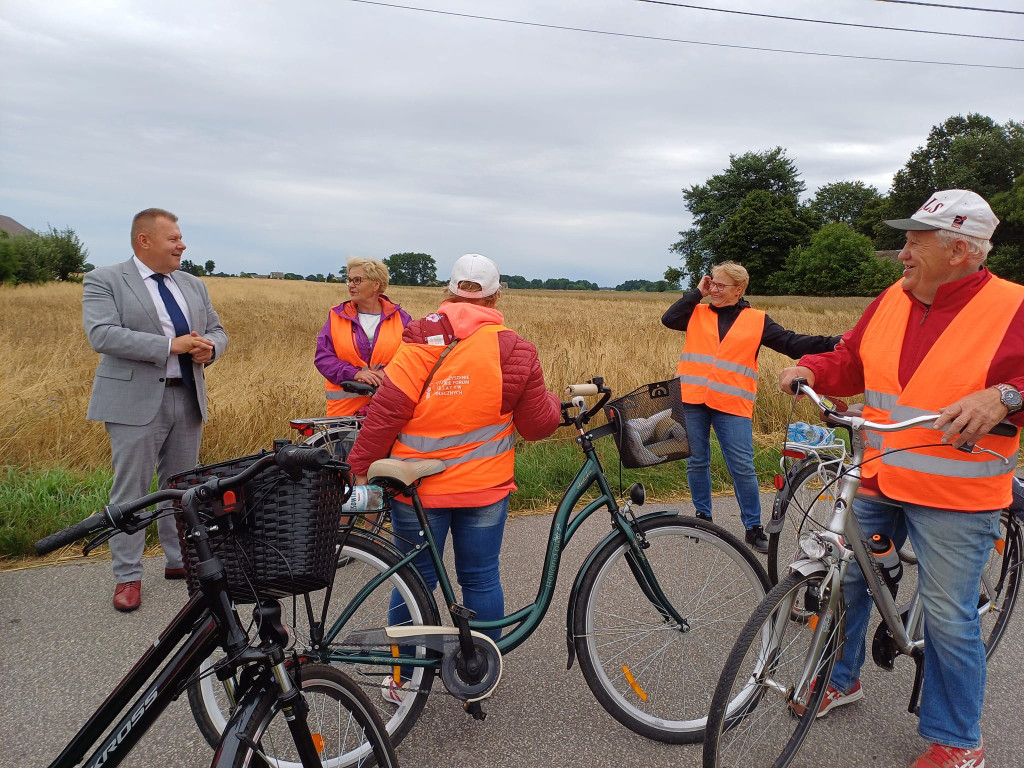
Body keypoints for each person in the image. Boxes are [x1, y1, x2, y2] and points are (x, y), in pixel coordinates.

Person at [779, 189, 1024, 768]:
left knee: (947, 613)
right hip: (880, 475)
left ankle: (959, 740)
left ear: (960, 250)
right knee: (847, 581)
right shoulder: (893, 297)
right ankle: (840, 679)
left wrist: (1007, 395)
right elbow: (851, 360)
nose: (901, 253)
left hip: (957, 493)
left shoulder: (1013, 306)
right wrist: (811, 368)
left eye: (915, 240)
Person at [347, 253, 561, 703]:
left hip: (415, 489)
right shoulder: (514, 348)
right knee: (481, 577)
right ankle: (479, 669)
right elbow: (537, 426)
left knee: (415, 580)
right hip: (483, 489)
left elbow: (386, 413)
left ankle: (404, 680)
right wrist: (555, 404)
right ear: (496, 295)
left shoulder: (420, 337)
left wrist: (357, 468)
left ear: (449, 291)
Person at [83, 208, 228, 612]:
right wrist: (171, 346)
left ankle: (181, 561)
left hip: (188, 395)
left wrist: (210, 348)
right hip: (134, 401)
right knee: (131, 493)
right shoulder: (105, 280)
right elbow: (102, 334)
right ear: (144, 241)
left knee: (181, 489)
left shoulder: (192, 284)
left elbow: (217, 329)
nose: (182, 245)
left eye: (181, 238)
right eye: (174, 238)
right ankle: (127, 577)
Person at [663, 261, 839, 553]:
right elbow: (669, 319)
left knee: (742, 467)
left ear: (739, 289)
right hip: (691, 399)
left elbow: (792, 343)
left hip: (731, 403)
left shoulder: (757, 320)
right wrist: (697, 292)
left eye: (721, 285)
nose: (715, 289)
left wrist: (835, 343)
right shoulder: (696, 311)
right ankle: (703, 518)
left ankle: (753, 528)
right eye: (713, 283)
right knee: (696, 462)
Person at [315, 257, 412, 417]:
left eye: (357, 280)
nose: (351, 285)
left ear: (376, 284)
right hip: (344, 415)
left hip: (387, 411)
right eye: (350, 280)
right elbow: (323, 358)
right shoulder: (336, 316)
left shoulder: (401, 319)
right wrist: (354, 374)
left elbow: (411, 358)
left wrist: (386, 373)